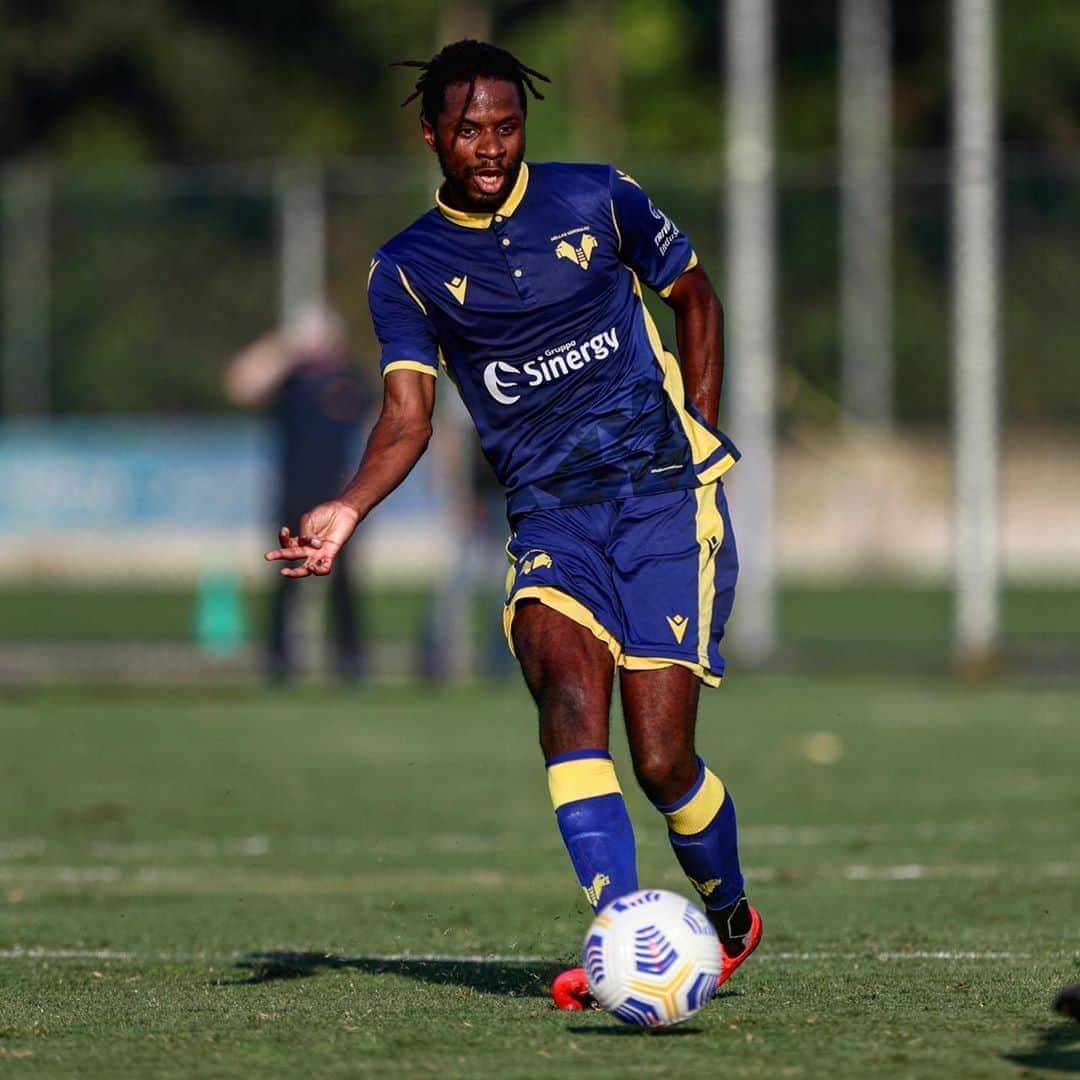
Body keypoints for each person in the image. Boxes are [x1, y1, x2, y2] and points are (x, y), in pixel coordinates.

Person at [265, 39, 762, 1009]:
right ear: (430, 134)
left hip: (663, 497)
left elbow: (692, 294)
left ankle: (730, 909)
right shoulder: (405, 269)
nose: (490, 148)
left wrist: (701, 425)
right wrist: (347, 507)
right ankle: (624, 925)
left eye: (506, 126)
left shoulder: (597, 197)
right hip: (550, 519)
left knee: (662, 760)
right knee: (567, 699)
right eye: (468, 131)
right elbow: (408, 417)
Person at [227, 305, 371, 683]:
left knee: (344, 583)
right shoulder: (290, 384)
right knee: (287, 580)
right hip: (294, 497)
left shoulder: (350, 381)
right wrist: (286, 346)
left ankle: (350, 660)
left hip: (339, 501)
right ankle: (278, 660)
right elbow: (241, 385)